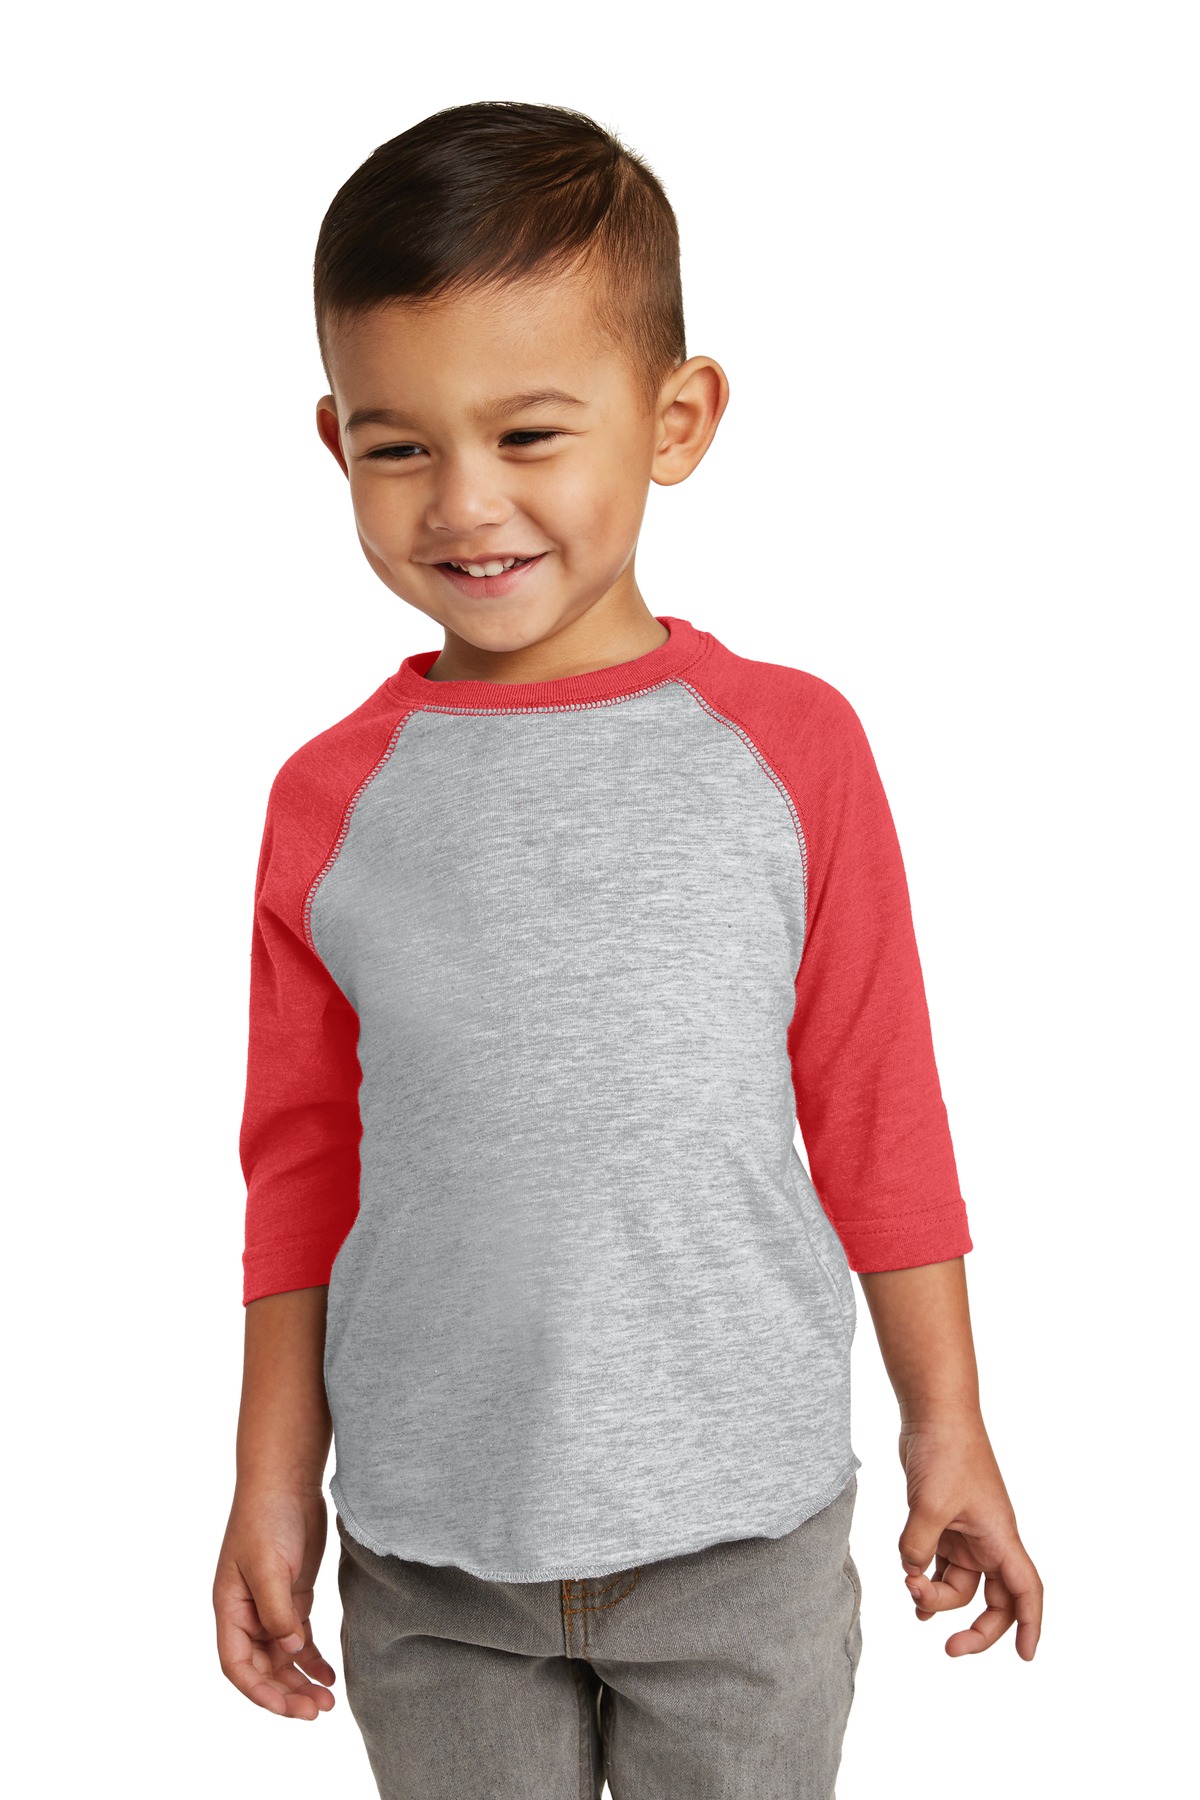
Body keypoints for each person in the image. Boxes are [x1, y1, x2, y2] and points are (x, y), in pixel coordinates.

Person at [213, 100, 1043, 1800]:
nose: (466, 503)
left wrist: (948, 1425)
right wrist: (268, 1481)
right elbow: (299, 1170)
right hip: (434, 1559)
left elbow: (877, 1110)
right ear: (335, 440)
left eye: (529, 433)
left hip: (741, 1542)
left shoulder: (792, 752)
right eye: (398, 447)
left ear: (678, 420)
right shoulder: (329, 803)